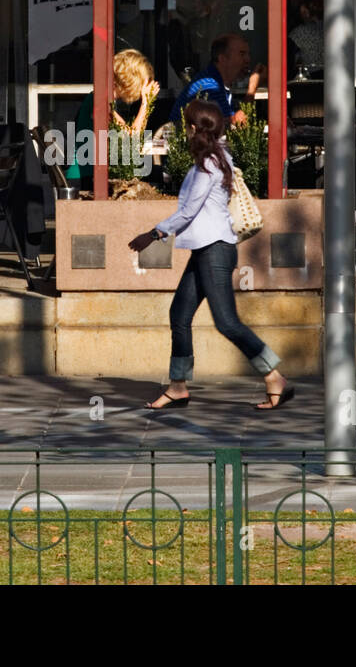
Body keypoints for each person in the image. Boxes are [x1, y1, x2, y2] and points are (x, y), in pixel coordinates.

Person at [127, 99, 293, 411]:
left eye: (185, 124)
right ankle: (177, 386)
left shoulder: (209, 166)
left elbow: (189, 212)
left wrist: (152, 234)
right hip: (207, 249)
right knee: (180, 314)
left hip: (215, 250)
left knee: (227, 322)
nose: (182, 130)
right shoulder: (212, 159)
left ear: (193, 128)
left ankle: (274, 376)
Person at [66, 49, 160, 189]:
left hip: (89, 174)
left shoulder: (100, 98)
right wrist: (146, 103)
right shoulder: (99, 100)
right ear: (131, 80)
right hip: (86, 178)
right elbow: (131, 139)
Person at [171, 33, 252, 127]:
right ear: (222, 59)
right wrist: (252, 88)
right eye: (241, 54)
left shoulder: (216, 81)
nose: (248, 59)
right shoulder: (209, 85)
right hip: (182, 140)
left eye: (248, 54)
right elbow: (230, 125)